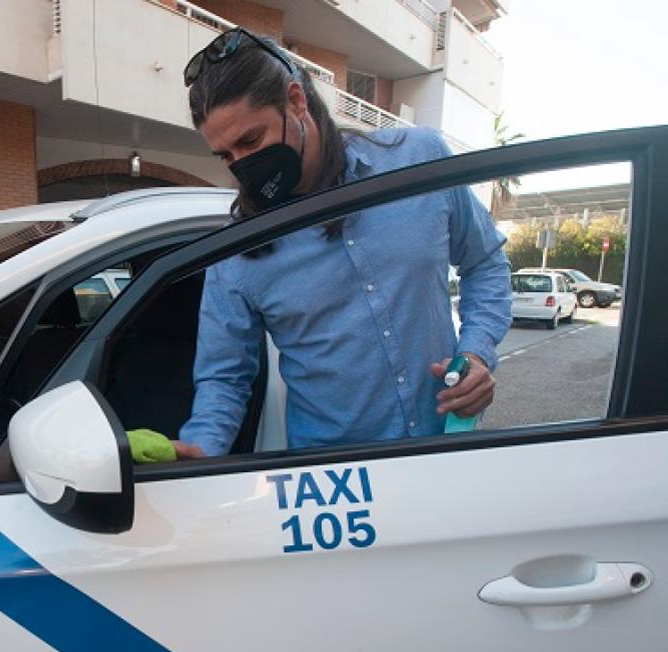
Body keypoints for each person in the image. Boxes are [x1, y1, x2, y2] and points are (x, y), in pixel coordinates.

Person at [172, 28, 512, 460]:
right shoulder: (239, 248)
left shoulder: (419, 161)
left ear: (296, 101)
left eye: (250, 141)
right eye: (225, 156)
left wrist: (477, 354)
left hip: (445, 447)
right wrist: (201, 448)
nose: (242, 166)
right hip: (334, 486)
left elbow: (484, 262)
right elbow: (224, 378)